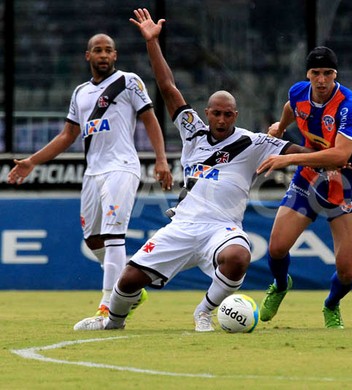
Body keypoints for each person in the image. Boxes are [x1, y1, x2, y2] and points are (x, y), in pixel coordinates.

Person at [73, 8, 315, 332]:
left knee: (238, 257)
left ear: (235, 114)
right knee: (129, 278)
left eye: (228, 114)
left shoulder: (254, 142)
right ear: (207, 112)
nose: (221, 119)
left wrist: (335, 153)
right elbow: (167, 86)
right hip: (183, 225)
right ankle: (112, 322)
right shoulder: (193, 131)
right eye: (216, 113)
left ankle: (204, 311)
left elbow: (301, 152)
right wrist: (152, 43)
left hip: (222, 227)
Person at [7, 33, 173, 321]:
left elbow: (150, 119)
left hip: (121, 167)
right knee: (92, 238)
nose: (104, 55)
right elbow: (67, 135)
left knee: (113, 235)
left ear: (115, 55)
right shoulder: (80, 93)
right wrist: (32, 161)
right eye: (98, 50)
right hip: (93, 172)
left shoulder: (129, 82)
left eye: (109, 50)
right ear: (88, 56)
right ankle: (130, 289)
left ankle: (108, 305)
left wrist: (161, 159)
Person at [256, 46, 352, 329]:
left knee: (348, 270)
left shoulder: (350, 105)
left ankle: (331, 304)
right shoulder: (298, 92)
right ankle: (281, 285)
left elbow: (340, 155)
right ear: (308, 74)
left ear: (335, 74)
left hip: (346, 182)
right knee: (277, 247)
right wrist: (280, 127)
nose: (321, 80)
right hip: (309, 176)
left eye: (327, 73)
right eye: (316, 73)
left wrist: (289, 157)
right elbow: (291, 108)